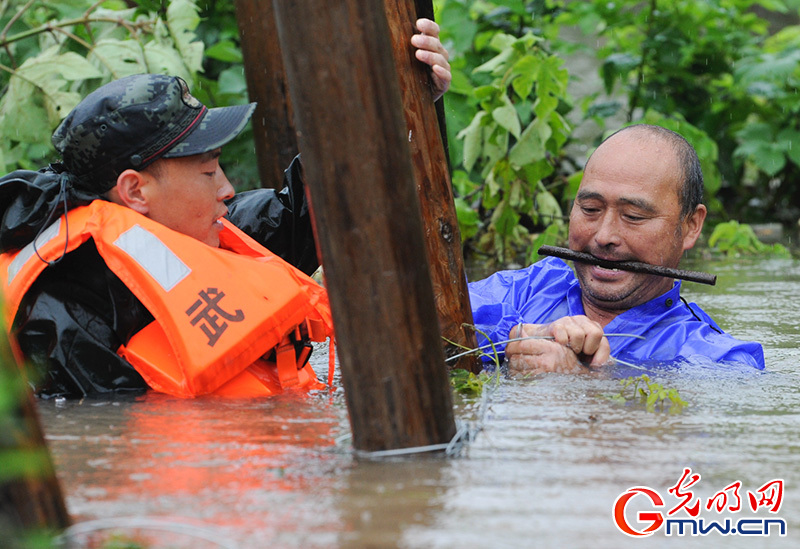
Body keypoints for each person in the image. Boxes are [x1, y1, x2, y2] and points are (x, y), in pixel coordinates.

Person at [0, 19, 452, 399]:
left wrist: (396, 100)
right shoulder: (61, 310)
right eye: (208, 172)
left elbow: (313, 208)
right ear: (135, 191)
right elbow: (104, 450)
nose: (229, 189)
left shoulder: (200, 231)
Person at [468, 124, 765, 375]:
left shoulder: (717, 358)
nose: (604, 236)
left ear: (690, 226)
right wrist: (517, 336)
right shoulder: (524, 291)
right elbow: (432, 312)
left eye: (633, 216)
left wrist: (590, 381)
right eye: (590, 209)